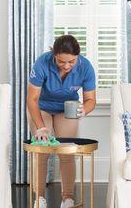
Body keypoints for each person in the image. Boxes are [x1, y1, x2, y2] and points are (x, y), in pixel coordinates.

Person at [27, 35, 97, 208]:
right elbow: (32, 99)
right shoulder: (42, 63)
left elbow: (90, 99)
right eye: (61, 61)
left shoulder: (86, 67)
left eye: (71, 62)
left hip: (67, 109)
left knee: (66, 152)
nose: (66, 66)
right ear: (54, 55)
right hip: (41, 107)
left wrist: (84, 110)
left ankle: (67, 198)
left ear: (78, 57)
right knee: (42, 150)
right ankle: (39, 198)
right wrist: (41, 127)